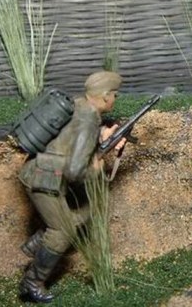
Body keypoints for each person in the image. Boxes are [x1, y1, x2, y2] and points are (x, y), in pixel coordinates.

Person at [18, 71, 126, 303]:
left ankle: (36, 244)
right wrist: (97, 167)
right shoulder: (88, 121)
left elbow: (71, 136)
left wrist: (103, 136)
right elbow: (75, 172)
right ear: (106, 96)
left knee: (88, 209)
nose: (115, 99)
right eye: (115, 95)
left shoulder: (81, 105)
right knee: (61, 232)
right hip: (43, 179)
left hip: (44, 170)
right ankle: (32, 282)